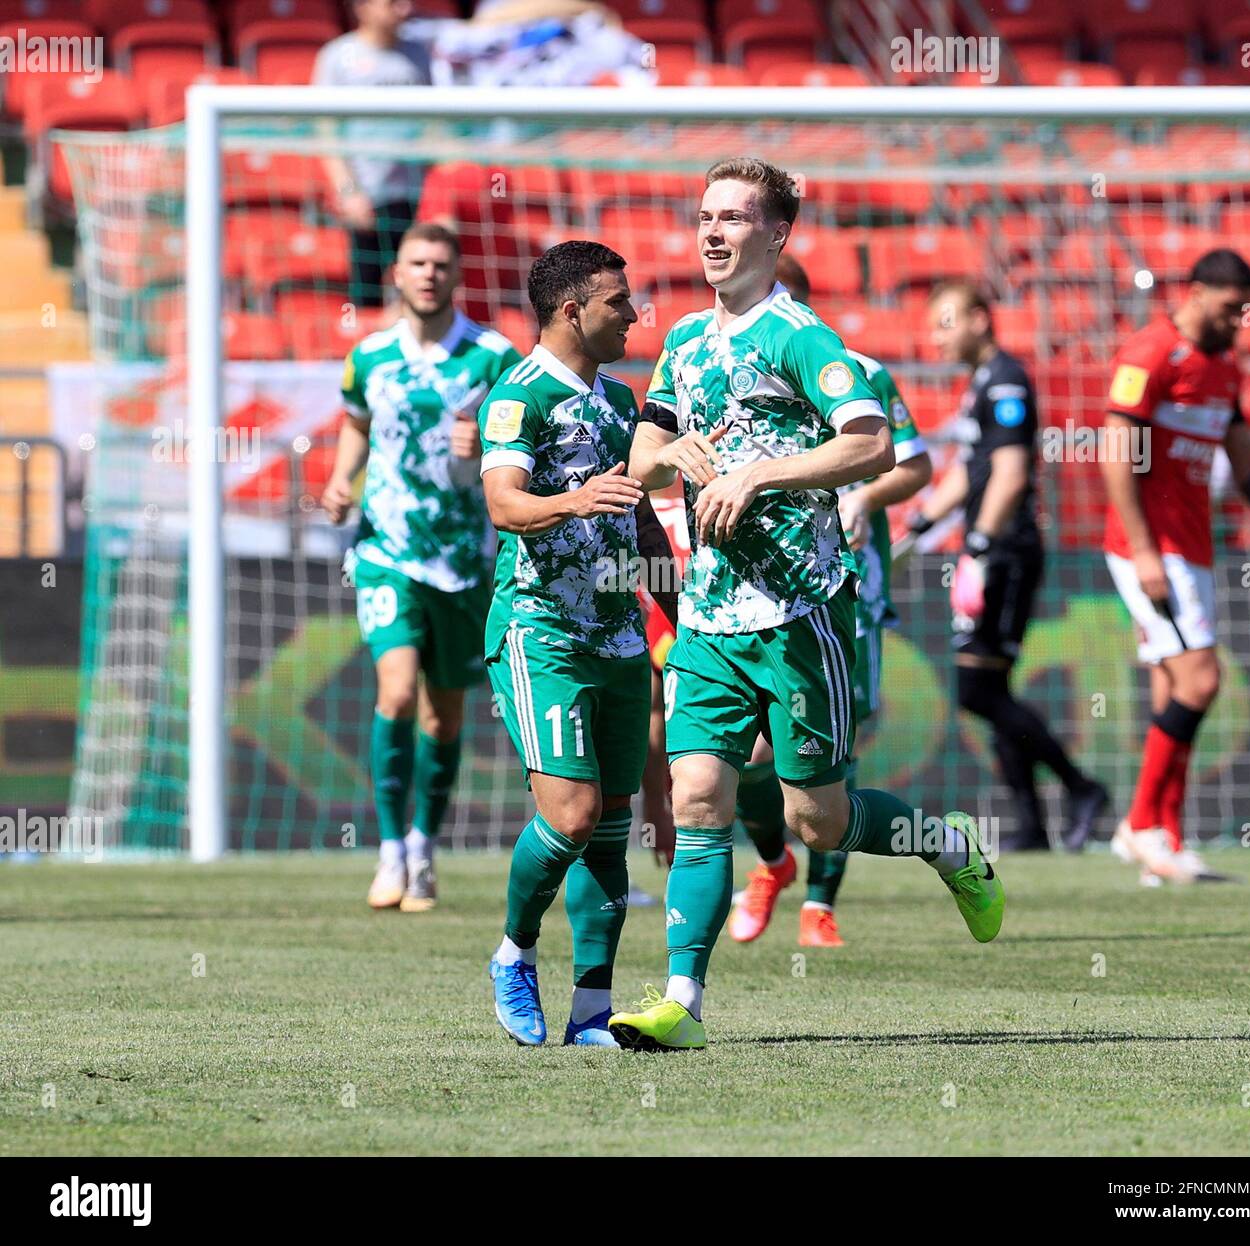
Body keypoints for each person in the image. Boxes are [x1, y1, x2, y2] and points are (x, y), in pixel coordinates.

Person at [608, 159, 1004, 1052]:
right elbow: (639, 456)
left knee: (814, 819)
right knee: (699, 795)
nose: (712, 232)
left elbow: (872, 444)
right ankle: (682, 1002)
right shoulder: (682, 340)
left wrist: (759, 472)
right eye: (704, 215)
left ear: (777, 235)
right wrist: (676, 460)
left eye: (734, 218)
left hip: (799, 612)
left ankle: (945, 846)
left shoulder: (802, 337)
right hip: (708, 614)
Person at [479, 241, 676, 1047]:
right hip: (542, 631)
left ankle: (591, 1011)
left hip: (619, 640)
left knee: (610, 824)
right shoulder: (518, 397)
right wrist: (576, 498)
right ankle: (513, 951)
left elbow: (643, 520)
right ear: (572, 310)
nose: (633, 314)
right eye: (618, 301)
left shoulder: (623, 401)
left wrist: (681, 616)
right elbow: (503, 505)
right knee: (571, 814)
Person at [728, 252, 934, 949]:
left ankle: (821, 905)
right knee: (750, 757)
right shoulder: (731, 374)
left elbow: (915, 463)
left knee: (836, 753)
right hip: (754, 596)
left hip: (848, 593)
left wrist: (868, 497)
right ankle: (772, 864)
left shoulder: (862, 373)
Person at [322, 223, 523, 911]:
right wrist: (342, 479)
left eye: (440, 263)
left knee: (442, 718)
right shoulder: (369, 357)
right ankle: (388, 852)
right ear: (397, 274)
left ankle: (424, 848)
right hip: (385, 551)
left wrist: (478, 449)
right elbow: (355, 422)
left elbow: (517, 446)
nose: (428, 273)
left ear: (456, 274)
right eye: (417, 262)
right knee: (396, 692)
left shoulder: (493, 358)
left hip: (466, 560)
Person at [1101, 249, 1250, 885]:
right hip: (1151, 549)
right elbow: (1116, 455)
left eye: (1243, 311)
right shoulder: (1150, 355)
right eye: (1226, 309)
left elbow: (1246, 463)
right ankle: (1138, 826)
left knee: (1174, 684)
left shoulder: (1223, 370)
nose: (1236, 322)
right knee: (1201, 680)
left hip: (1194, 550)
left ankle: (1167, 840)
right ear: (1193, 293)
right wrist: (1143, 550)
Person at [909, 280, 1108, 853]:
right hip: (992, 547)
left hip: (1006, 550)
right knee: (992, 685)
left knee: (976, 689)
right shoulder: (980, 385)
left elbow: (1011, 473)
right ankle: (1032, 826)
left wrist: (975, 546)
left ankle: (1080, 785)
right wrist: (924, 522)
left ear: (979, 318)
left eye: (946, 322)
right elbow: (970, 471)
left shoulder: (1006, 380)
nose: (936, 337)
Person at [313, 0, 432, 308]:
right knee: (366, 299)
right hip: (366, 198)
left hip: (414, 196)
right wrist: (349, 191)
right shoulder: (338, 57)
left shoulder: (418, 54)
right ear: (362, 6)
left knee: (418, 293)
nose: (404, 9)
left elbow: (432, 125)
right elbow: (327, 132)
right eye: (393, 3)